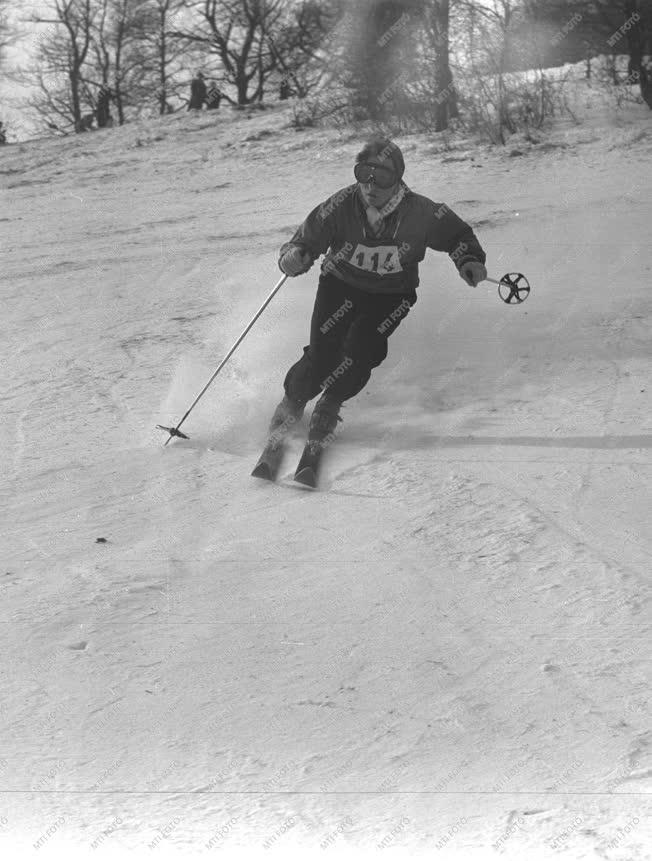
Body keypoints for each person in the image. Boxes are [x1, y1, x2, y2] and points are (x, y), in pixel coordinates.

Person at [267, 136, 487, 450]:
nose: (371, 186)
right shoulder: (341, 205)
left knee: (361, 350)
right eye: (363, 175)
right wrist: (294, 256)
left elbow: (457, 235)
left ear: (397, 179)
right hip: (340, 284)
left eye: (382, 177)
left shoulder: (421, 213)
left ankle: (330, 404)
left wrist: (469, 260)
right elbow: (306, 239)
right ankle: (292, 402)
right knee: (323, 354)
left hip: (390, 295)